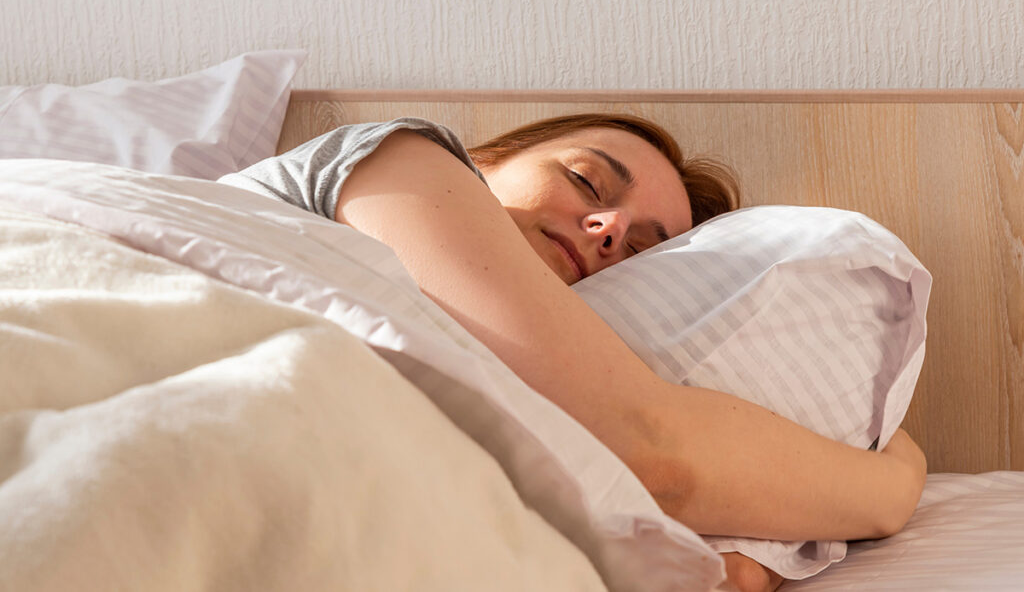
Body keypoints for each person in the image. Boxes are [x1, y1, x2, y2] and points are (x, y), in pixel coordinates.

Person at [220, 113, 927, 592]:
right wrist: (894, 487)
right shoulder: (398, 157)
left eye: (645, 248)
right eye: (587, 180)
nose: (610, 226)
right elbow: (652, 453)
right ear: (486, 159)